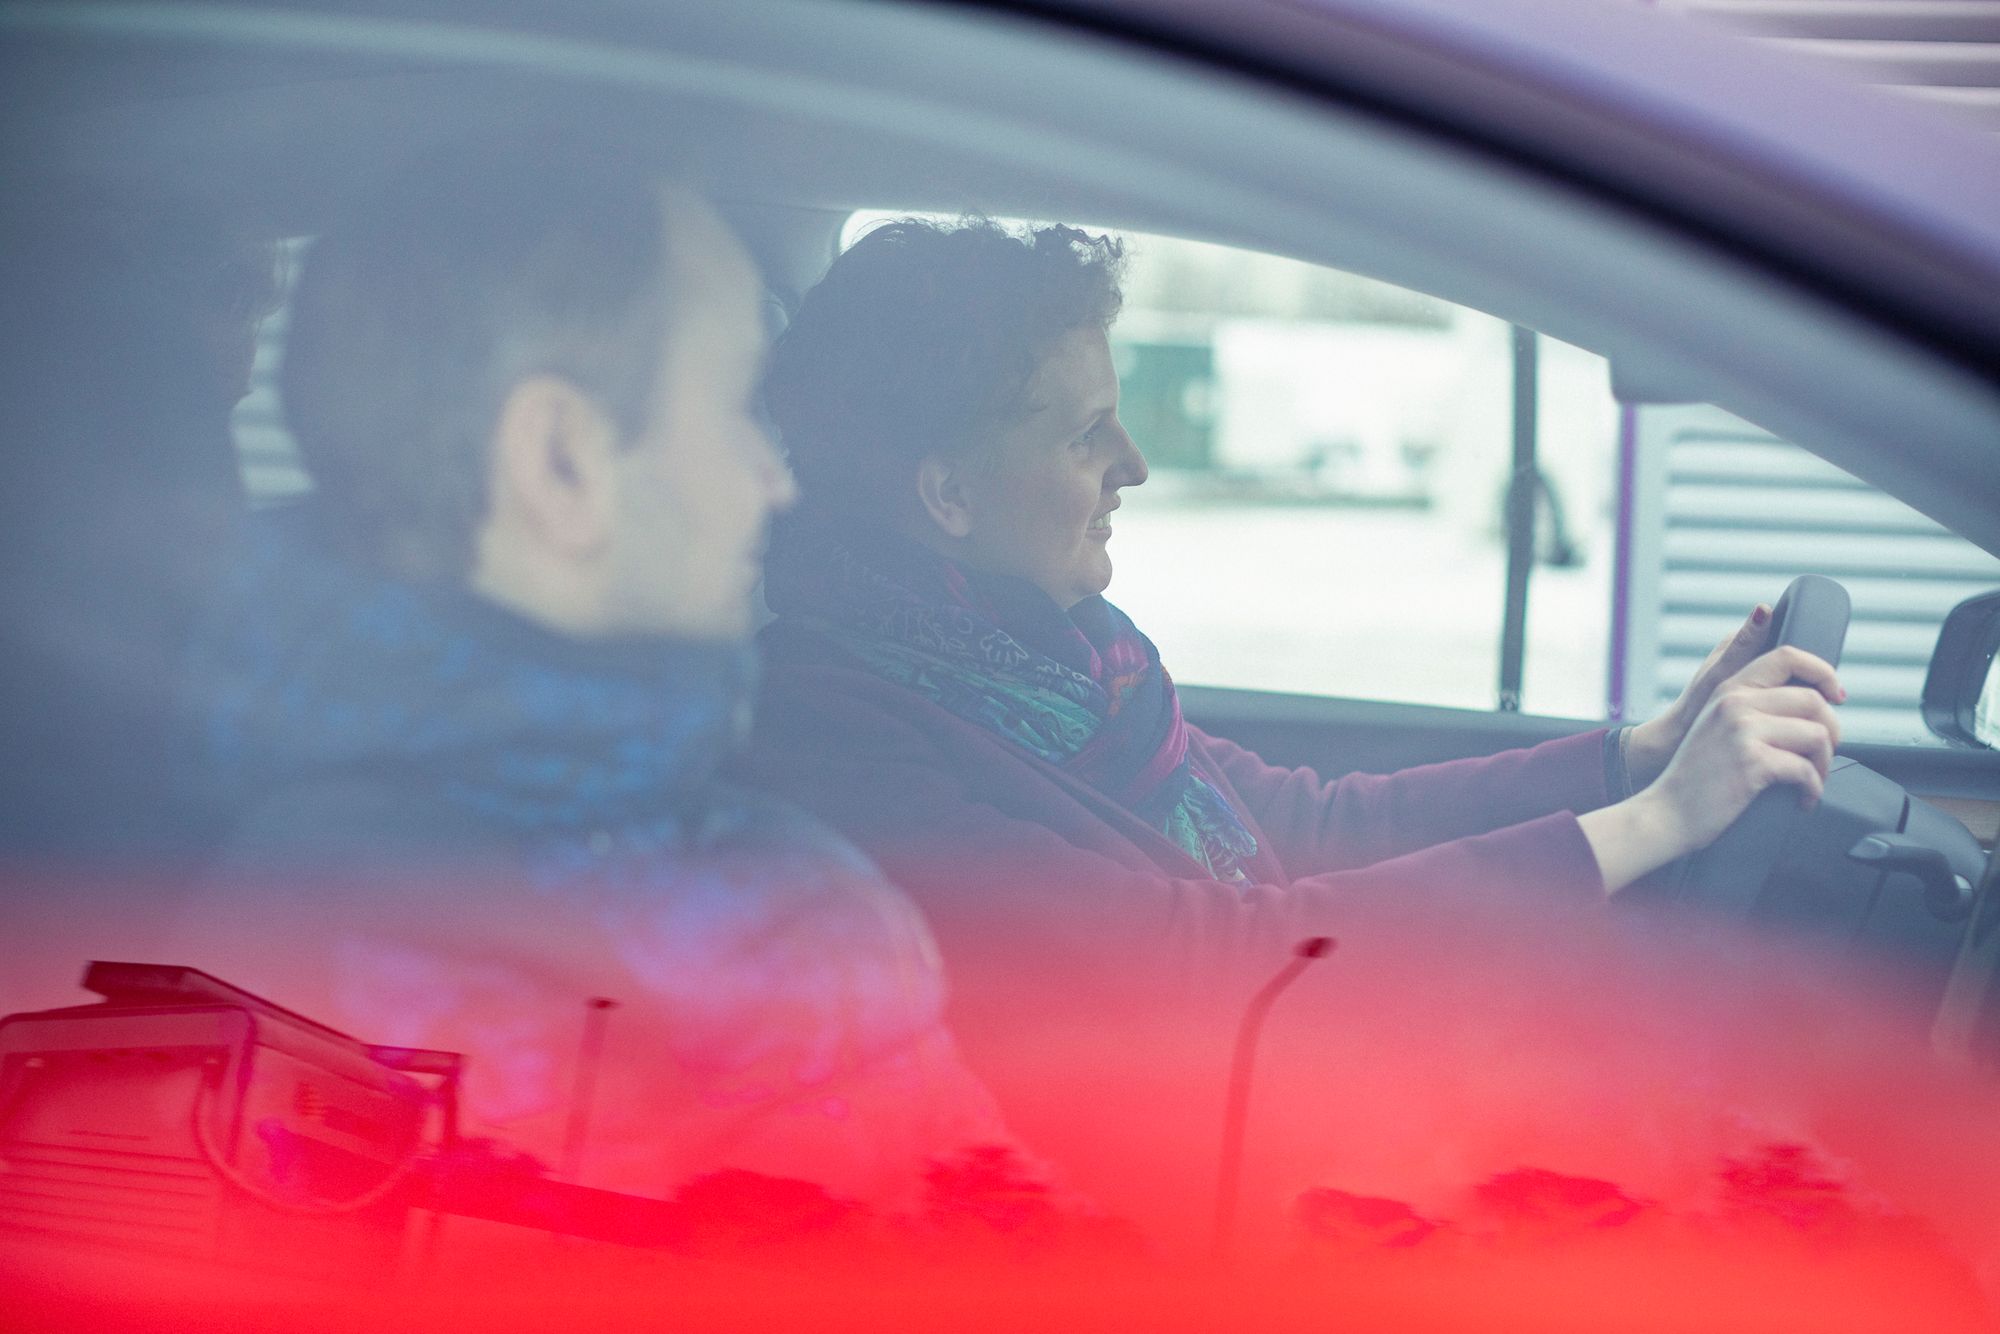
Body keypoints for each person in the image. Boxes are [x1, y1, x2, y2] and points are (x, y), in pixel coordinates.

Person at [736, 217, 1846, 1028]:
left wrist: (1633, 759)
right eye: (1085, 434)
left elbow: (1306, 820)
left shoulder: (1069, 667)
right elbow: (1213, 962)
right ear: (948, 494)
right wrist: (1656, 822)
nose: (1134, 463)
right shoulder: (839, 744)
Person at [168, 146, 1003, 1208]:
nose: (774, 480)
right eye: (739, 404)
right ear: (560, 460)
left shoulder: (242, 851)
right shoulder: (766, 935)